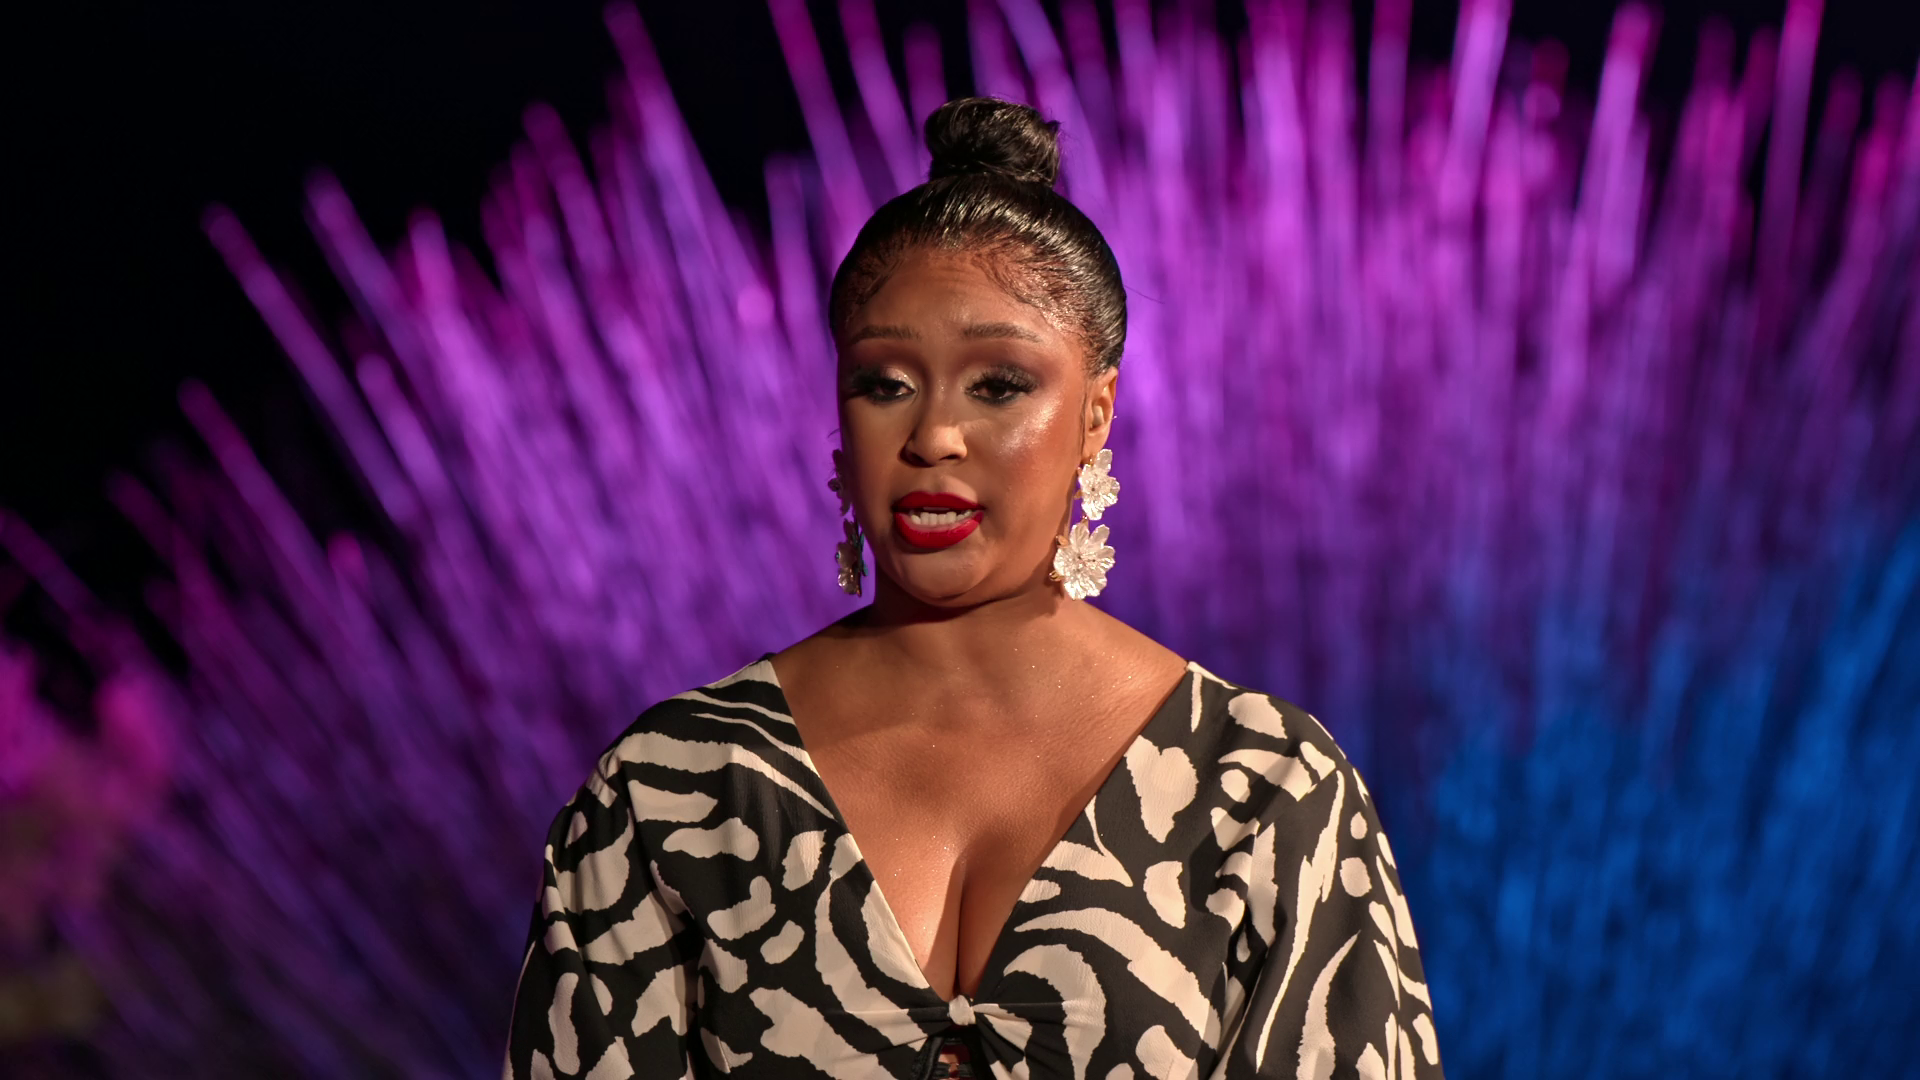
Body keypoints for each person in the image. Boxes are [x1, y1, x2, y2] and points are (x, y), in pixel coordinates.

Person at [503, 97, 1443, 1080]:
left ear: (1096, 414)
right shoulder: (669, 788)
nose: (933, 436)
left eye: (998, 385)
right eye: (885, 384)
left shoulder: (1264, 789)